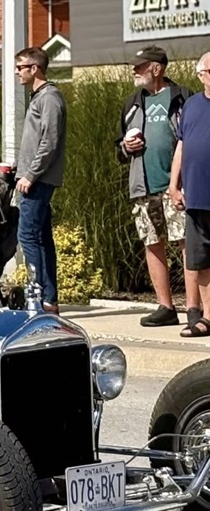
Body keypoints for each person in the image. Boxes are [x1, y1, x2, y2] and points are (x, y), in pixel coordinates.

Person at [117, 45, 200, 328]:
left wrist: (185, 182)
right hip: (142, 185)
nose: (134, 71)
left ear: (156, 68)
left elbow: (195, 139)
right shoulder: (132, 102)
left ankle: (193, 307)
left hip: (176, 185)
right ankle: (165, 307)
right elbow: (118, 148)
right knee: (152, 244)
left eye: (139, 67)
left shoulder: (184, 97)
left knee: (186, 244)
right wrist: (126, 146)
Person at [14, 46, 66, 315]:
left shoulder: (50, 97)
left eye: (21, 67)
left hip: (37, 181)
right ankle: (49, 299)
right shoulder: (39, 97)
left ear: (35, 68)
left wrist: (30, 175)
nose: (17, 72)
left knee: (28, 236)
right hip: (31, 177)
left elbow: (50, 141)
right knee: (42, 238)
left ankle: (38, 297)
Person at [168, 51, 210, 338]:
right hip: (196, 197)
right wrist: (174, 185)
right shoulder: (192, 106)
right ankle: (208, 317)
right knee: (201, 260)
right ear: (201, 75)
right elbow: (181, 147)